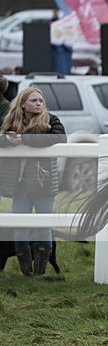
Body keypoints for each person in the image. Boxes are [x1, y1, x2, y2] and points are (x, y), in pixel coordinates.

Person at [0, 87, 67, 276]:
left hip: (42, 181)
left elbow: (60, 137)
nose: (38, 103)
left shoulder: (51, 120)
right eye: (34, 100)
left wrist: (25, 140)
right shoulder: (11, 121)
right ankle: (26, 274)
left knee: (43, 226)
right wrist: (8, 141)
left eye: (41, 101)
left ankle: (39, 273)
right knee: (19, 228)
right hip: (19, 183)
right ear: (23, 103)